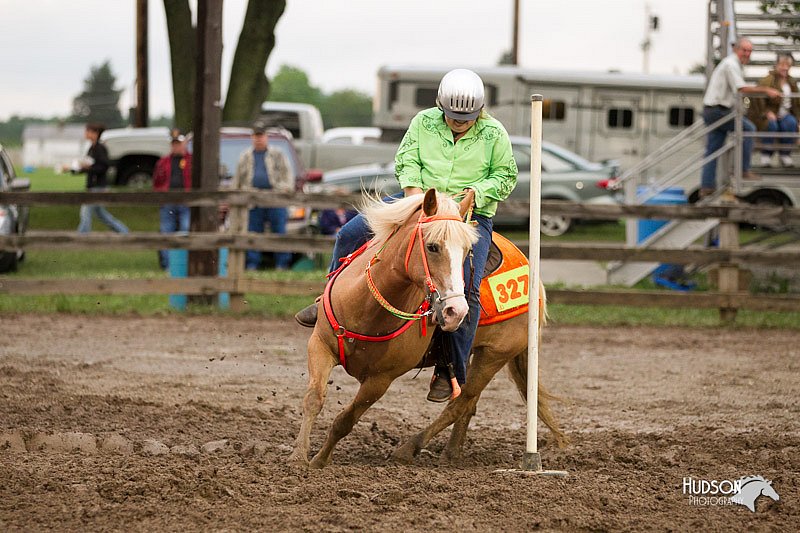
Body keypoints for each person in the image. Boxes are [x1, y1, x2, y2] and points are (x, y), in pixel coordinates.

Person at [294, 68, 518, 403]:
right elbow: (406, 160)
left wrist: (476, 192)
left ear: (479, 111)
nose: (460, 122)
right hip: (418, 202)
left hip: (467, 215)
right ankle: (324, 302)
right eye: (454, 116)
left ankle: (448, 367)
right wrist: (414, 194)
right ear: (442, 107)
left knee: (467, 288)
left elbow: (506, 175)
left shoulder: (494, 133)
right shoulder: (424, 122)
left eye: (466, 118)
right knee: (349, 233)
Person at [700, 38, 782, 198]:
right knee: (749, 128)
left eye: (750, 51)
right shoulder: (731, 64)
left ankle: (707, 186)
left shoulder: (732, 64)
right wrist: (766, 90)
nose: (747, 54)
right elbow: (741, 88)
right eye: (744, 50)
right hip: (718, 110)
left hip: (714, 109)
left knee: (713, 150)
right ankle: (743, 169)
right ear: (736, 49)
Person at [233, 121, 294, 270]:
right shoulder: (245, 157)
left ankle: (282, 264)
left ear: (266, 137)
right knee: (253, 233)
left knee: (279, 231)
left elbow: (288, 176)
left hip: (275, 198)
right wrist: (238, 196)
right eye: (256, 135)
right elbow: (237, 180)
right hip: (253, 199)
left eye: (261, 135)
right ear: (252, 137)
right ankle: (252, 264)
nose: (258, 138)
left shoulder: (277, 154)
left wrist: (284, 191)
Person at [75, 123, 129, 234]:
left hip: (98, 186)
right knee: (101, 214)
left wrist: (89, 167)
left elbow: (103, 166)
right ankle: (123, 231)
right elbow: (90, 166)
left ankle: (81, 235)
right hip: (92, 185)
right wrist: (77, 169)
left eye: (88, 131)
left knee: (85, 211)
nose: (85, 134)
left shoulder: (100, 148)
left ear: (95, 133)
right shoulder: (92, 148)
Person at [748, 52, 800, 168]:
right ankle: (766, 156)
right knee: (771, 125)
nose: (785, 67)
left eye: (788, 65)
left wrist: (798, 119)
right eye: (782, 64)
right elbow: (757, 101)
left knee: (791, 123)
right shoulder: (767, 81)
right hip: (768, 116)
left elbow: (796, 104)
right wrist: (767, 112)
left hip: (786, 115)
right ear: (776, 65)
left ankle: (785, 155)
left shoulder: (792, 82)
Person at [153, 129, 192, 269]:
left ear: (185, 144)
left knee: (185, 230)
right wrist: (161, 197)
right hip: (168, 202)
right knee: (166, 232)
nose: (176, 147)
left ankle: (183, 264)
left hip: (185, 202)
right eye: (174, 144)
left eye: (179, 143)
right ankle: (168, 265)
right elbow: (156, 183)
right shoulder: (163, 162)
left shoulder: (192, 161)